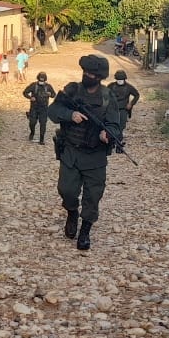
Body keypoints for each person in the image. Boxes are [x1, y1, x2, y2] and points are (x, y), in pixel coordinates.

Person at [48, 54, 122, 251]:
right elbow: (52, 111)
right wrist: (70, 114)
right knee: (67, 190)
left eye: (92, 74)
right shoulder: (72, 90)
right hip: (71, 152)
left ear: (100, 77)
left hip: (95, 156)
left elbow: (115, 124)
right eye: (85, 72)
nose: (87, 76)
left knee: (93, 196)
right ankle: (72, 212)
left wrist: (108, 134)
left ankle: (85, 231)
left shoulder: (107, 97)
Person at [22, 71, 56, 143]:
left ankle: (41, 139)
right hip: (34, 107)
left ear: (45, 79)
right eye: (40, 78)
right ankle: (32, 133)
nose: (42, 80)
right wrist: (30, 97)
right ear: (38, 78)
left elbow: (54, 95)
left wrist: (50, 94)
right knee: (32, 122)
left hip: (44, 108)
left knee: (43, 123)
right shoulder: (33, 85)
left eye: (43, 78)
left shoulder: (48, 86)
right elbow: (25, 92)